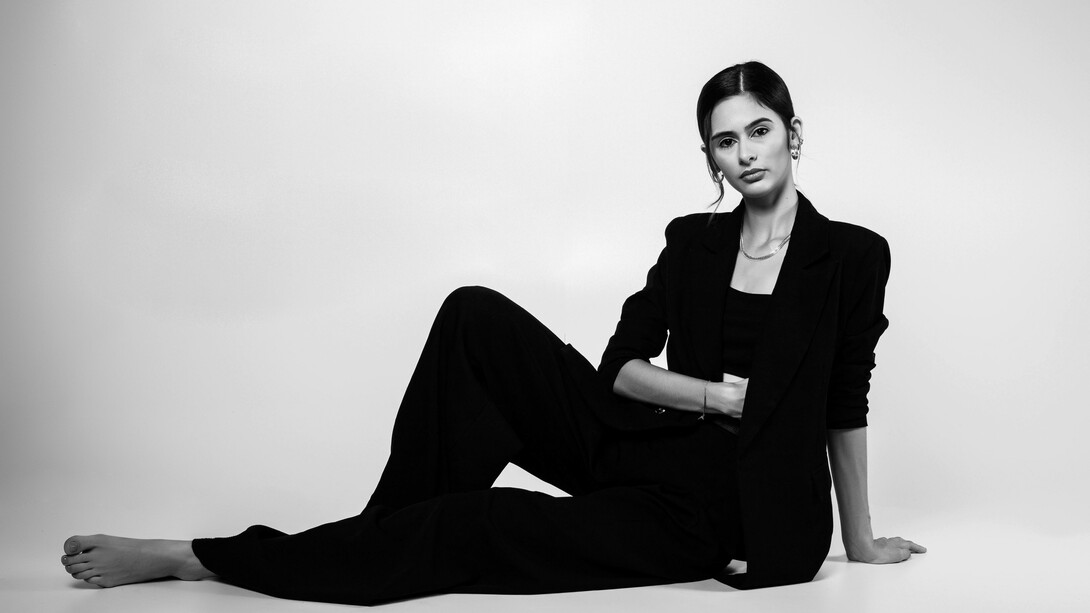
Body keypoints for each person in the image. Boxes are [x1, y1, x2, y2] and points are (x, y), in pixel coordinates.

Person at [59, 61, 924, 604]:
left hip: (719, 510)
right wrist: (718, 397)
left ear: (793, 134)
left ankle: (200, 557)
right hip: (652, 443)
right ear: (711, 158)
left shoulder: (851, 256)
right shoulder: (691, 242)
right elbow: (619, 369)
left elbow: (844, 402)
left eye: (760, 131)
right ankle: (373, 541)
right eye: (724, 141)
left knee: (479, 523)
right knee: (473, 313)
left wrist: (858, 539)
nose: (745, 153)